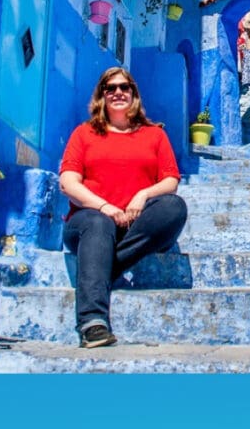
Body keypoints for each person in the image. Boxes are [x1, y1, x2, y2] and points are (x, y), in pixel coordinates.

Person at [59, 67, 188, 348]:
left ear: (134, 94)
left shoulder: (154, 135)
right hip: (88, 224)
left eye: (124, 87)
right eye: (110, 88)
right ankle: (93, 322)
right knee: (97, 223)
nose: (118, 92)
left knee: (174, 208)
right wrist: (104, 207)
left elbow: (170, 180)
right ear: (102, 96)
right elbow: (68, 182)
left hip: (134, 226)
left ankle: (102, 265)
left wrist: (143, 195)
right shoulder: (84, 134)